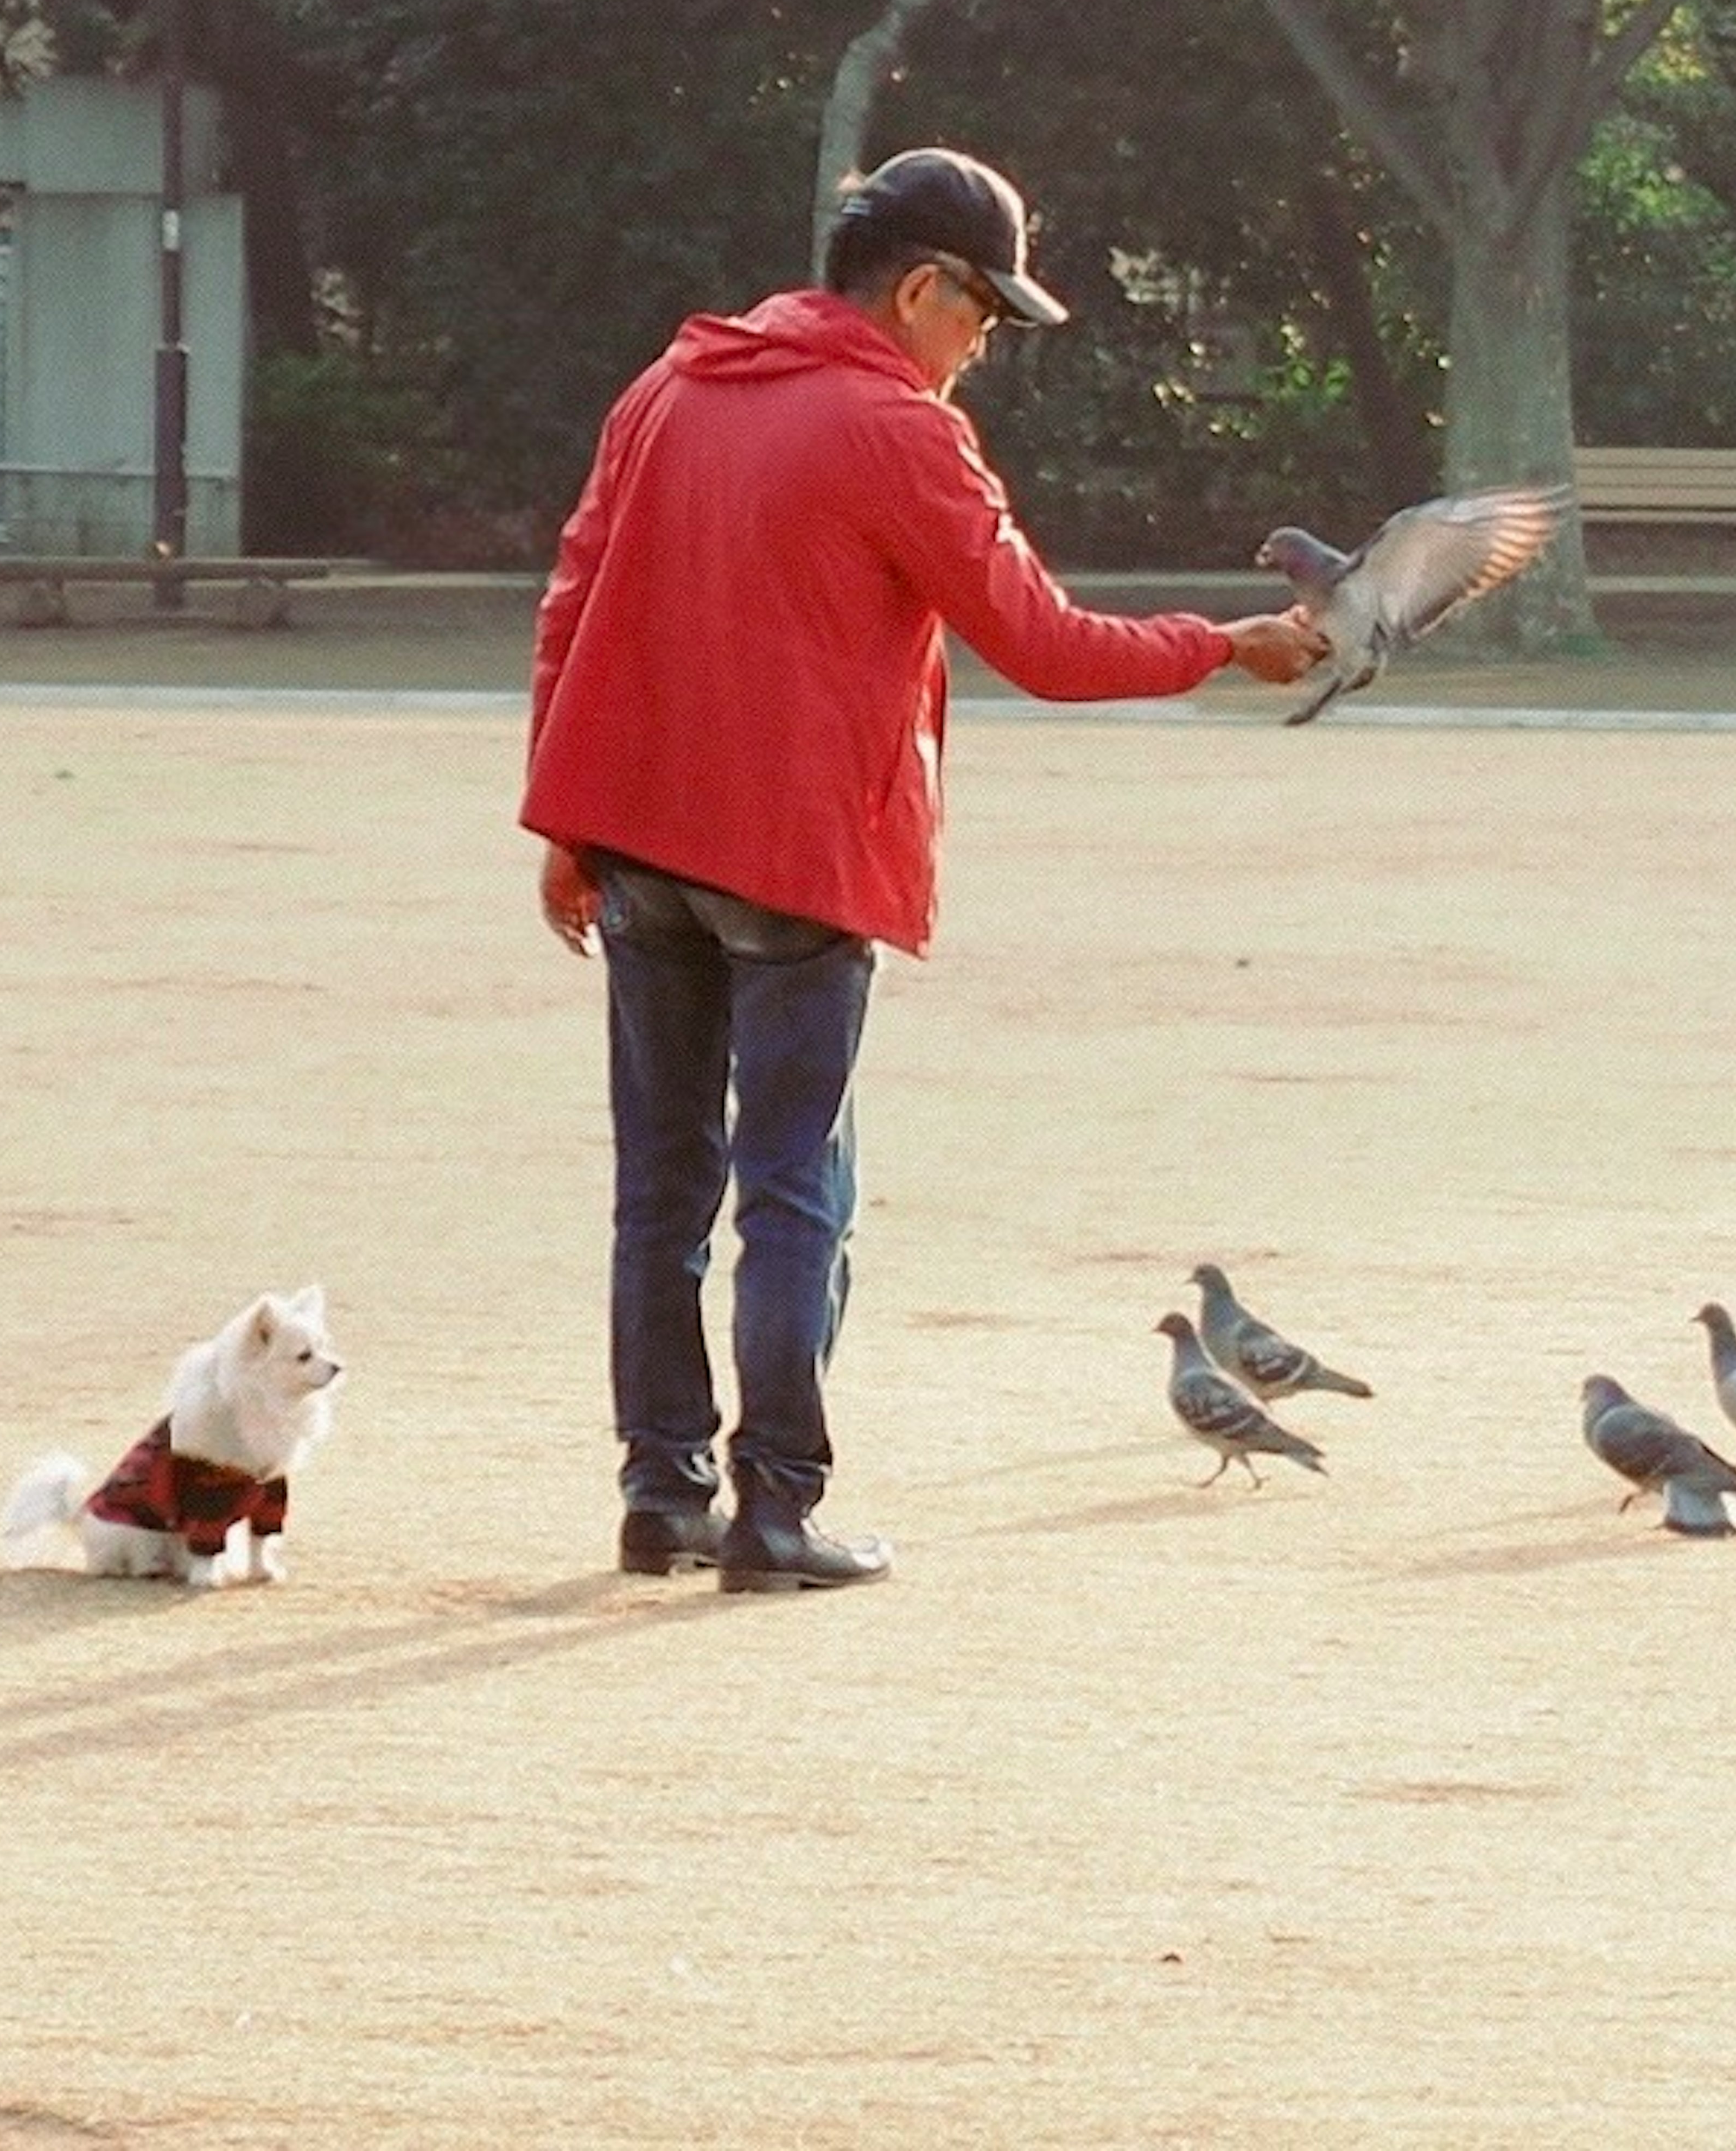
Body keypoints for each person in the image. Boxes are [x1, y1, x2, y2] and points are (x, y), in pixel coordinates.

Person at [522, 147, 1328, 1594]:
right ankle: (776, 1511)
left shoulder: (670, 388)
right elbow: (1042, 642)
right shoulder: (894, 428)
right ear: (920, 289)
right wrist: (1223, 644)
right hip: (796, 861)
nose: (985, 353)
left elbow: (571, 600)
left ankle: (663, 1494)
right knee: (791, 1189)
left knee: (661, 1188)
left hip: (638, 837)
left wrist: (562, 824)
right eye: (987, 320)